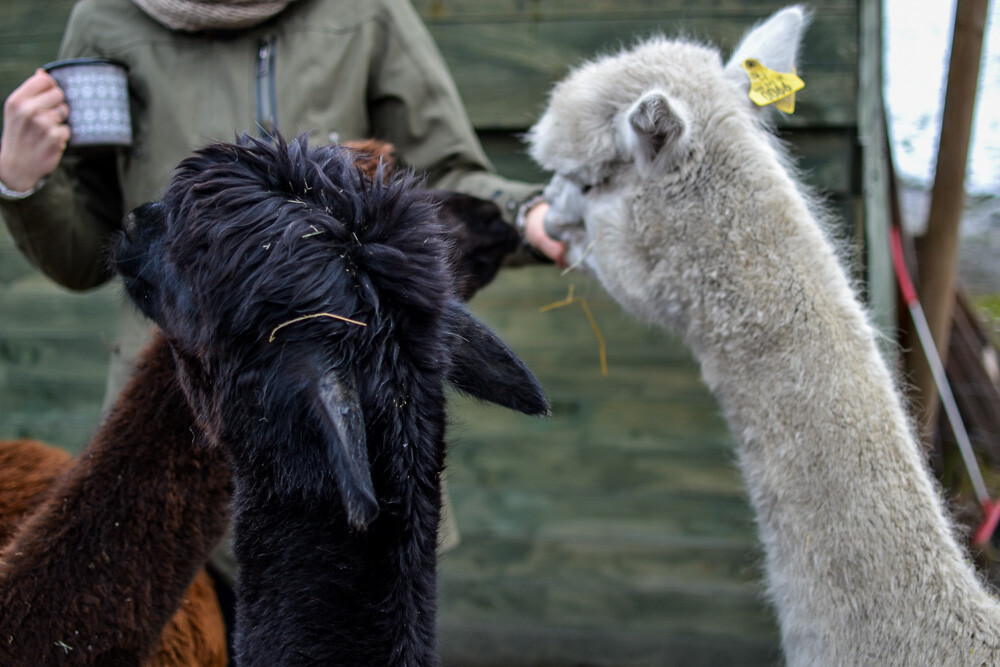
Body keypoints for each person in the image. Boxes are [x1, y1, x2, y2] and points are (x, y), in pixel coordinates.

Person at [0, 0, 564, 633]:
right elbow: (94, 251)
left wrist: (531, 217)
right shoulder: (106, 20)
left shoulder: (366, 11)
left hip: (340, 413)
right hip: (175, 428)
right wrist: (25, 184)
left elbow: (442, 176)